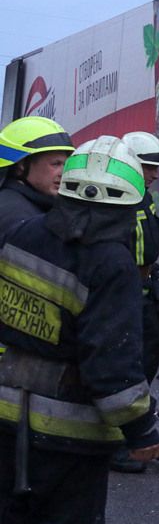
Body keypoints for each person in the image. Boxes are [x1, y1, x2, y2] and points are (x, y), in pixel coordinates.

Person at [0, 135, 159, 524]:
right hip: (69, 438)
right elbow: (111, 369)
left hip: (6, 419)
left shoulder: (20, 235)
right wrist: (141, 430)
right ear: (131, 203)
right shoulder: (112, 264)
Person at [110, 131, 159, 473]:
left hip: (142, 295)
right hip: (120, 298)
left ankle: (130, 432)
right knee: (122, 370)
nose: (155, 175)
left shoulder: (149, 199)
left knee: (147, 360)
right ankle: (117, 443)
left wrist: (153, 280)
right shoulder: (113, 201)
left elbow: (148, 245)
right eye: (149, 167)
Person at [0, 117, 76, 364]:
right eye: (55, 163)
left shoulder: (31, 206)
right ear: (21, 166)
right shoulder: (16, 215)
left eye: (67, 163)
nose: (64, 173)